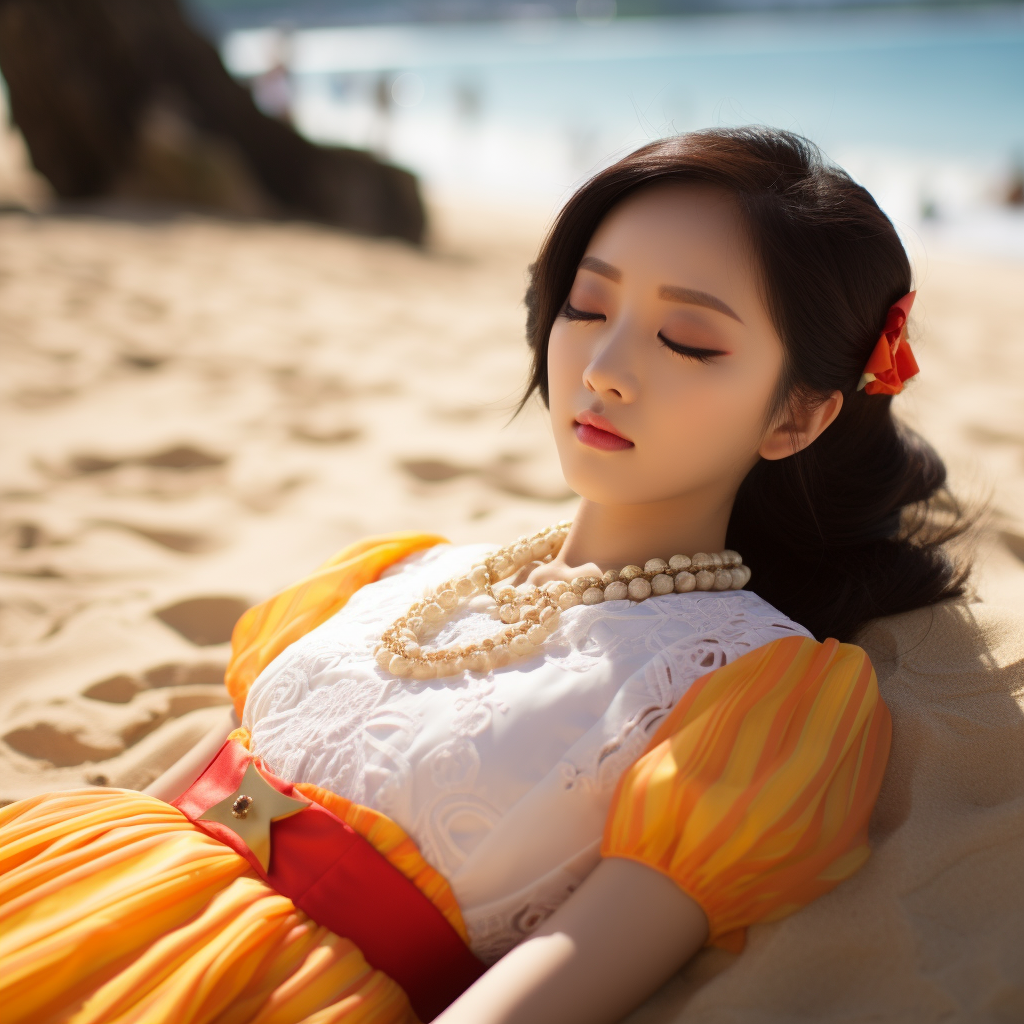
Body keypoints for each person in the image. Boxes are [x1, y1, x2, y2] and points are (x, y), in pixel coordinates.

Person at [0, 127, 969, 1024]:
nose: (605, 367)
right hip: (69, 888)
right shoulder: (399, 569)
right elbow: (183, 792)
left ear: (796, 416)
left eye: (689, 340)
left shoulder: (749, 689)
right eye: (587, 306)